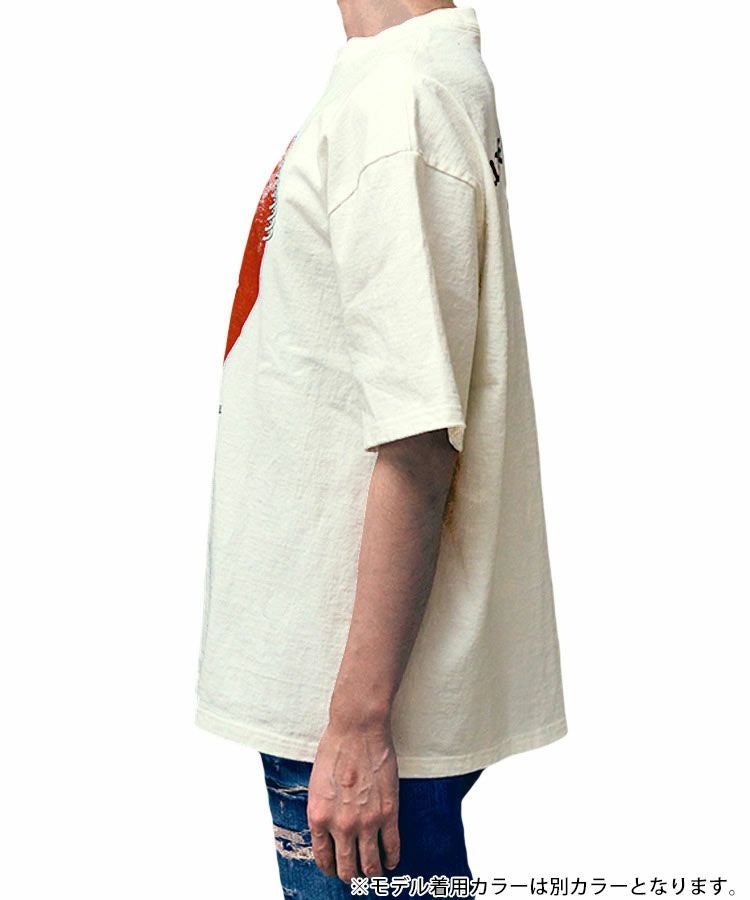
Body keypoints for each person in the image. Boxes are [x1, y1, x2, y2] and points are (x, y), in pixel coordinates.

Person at [195, 2, 568, 895]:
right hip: (347, 696)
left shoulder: (398, 96)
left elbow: (418, 434)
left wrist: (359, 723)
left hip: (352, 709)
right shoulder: (397, 80)